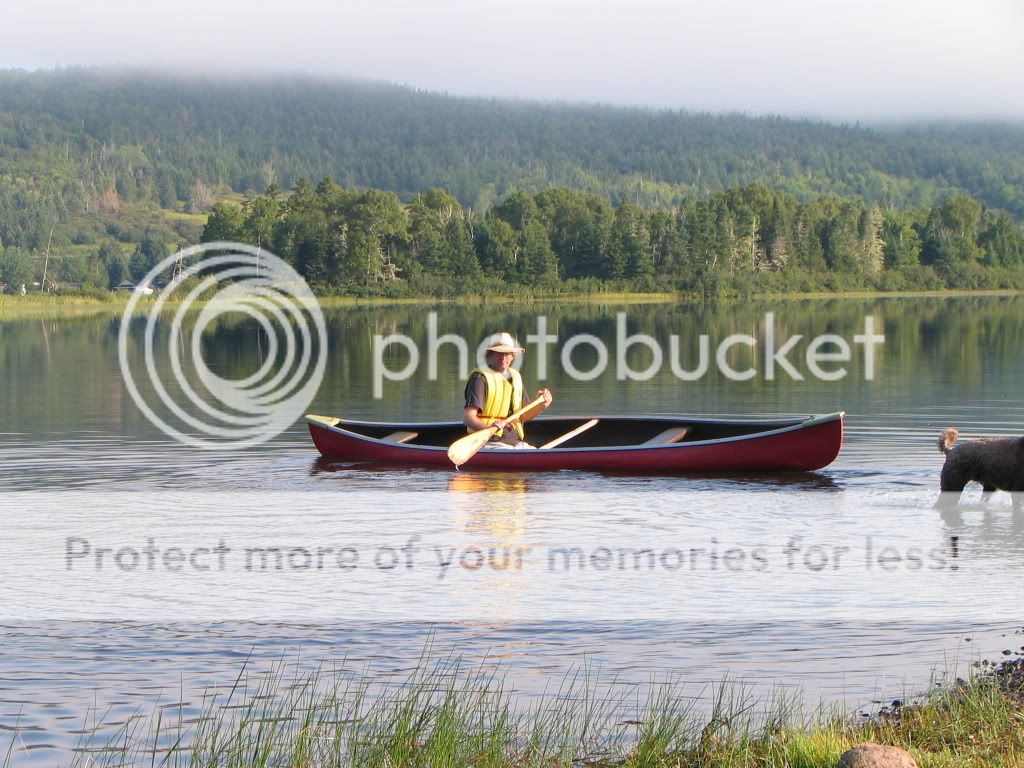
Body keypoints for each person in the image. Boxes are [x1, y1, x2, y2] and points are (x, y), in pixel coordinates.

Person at [464, 332, 553, 449]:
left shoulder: (515, 377)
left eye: (507, 354)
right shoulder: (480, 379)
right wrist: (489, 428)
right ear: (490, 354)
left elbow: (523, 416)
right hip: (489, 442)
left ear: (512, 356)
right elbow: (469, 418)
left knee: (534, 452)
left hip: (515, 443)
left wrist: (541, 405)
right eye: (499, 353)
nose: (503, 357)